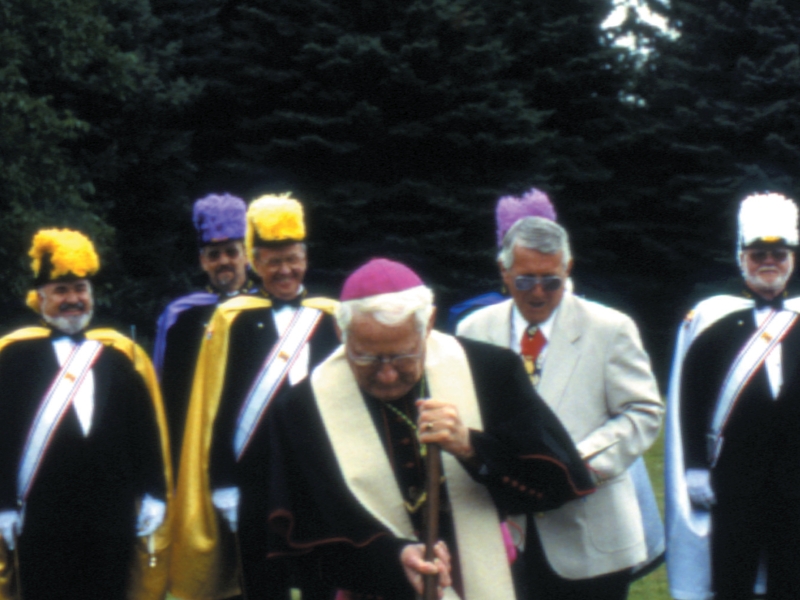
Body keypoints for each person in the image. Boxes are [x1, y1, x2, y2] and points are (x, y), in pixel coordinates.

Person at [261, 258, 596, 600]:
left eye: (403, 356)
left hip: (481, 582)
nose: (387, 374)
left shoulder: (491, 371)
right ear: (340, 333)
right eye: (366, 358)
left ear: (429, 323)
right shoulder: (303, 408)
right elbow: (303, 541)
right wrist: (393, 557)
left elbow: (556, 486)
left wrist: (471, 447)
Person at [457, 216, 663, 600]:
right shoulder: (472, 331)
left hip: (591, 540)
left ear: (568, 269)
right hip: (502, 535)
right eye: (524, 280)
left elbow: (643, 412)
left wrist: (577, 464)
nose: (538, 293)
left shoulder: (611, 328)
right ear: (504, 271)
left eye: (551, 280)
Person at [170, 194, 340, 600]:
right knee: (263, 585)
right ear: (256, 262)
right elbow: (216, 407)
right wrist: (223, 481)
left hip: (319, 474)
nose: (284, 270)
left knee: (322, 581)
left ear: (305, 258)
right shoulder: (232, 320)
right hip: (254, 478)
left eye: (292, 259)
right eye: (272, 261)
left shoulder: (332, 317)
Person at [0, 229, 171, 600]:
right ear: (39, 298)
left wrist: (155, 492)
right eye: (61, 291)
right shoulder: (13, 359)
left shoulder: (119, 358)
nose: (73, 299)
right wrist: (3, 504)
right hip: (43, 519)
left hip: (112, 518)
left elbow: (144, 432)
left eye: (80, 289)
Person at [666, 192, 800, 600]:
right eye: (758, 253)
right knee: (732, 579)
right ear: (741, 258)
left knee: (792, 580)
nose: (769, 262)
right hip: (734, 481)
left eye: (780, 254)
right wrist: (694, 466)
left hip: (797, 481)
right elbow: (691, 399)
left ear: (793, 259)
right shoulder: (714, 321)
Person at [153, 193, 255, 470]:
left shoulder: (264, 309)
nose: (223, 261)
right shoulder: (179, 316)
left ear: (246, 255)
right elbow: (165, 390)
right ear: (202, 261)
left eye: (231, 252)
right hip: (198, 445)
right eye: (214, 254)